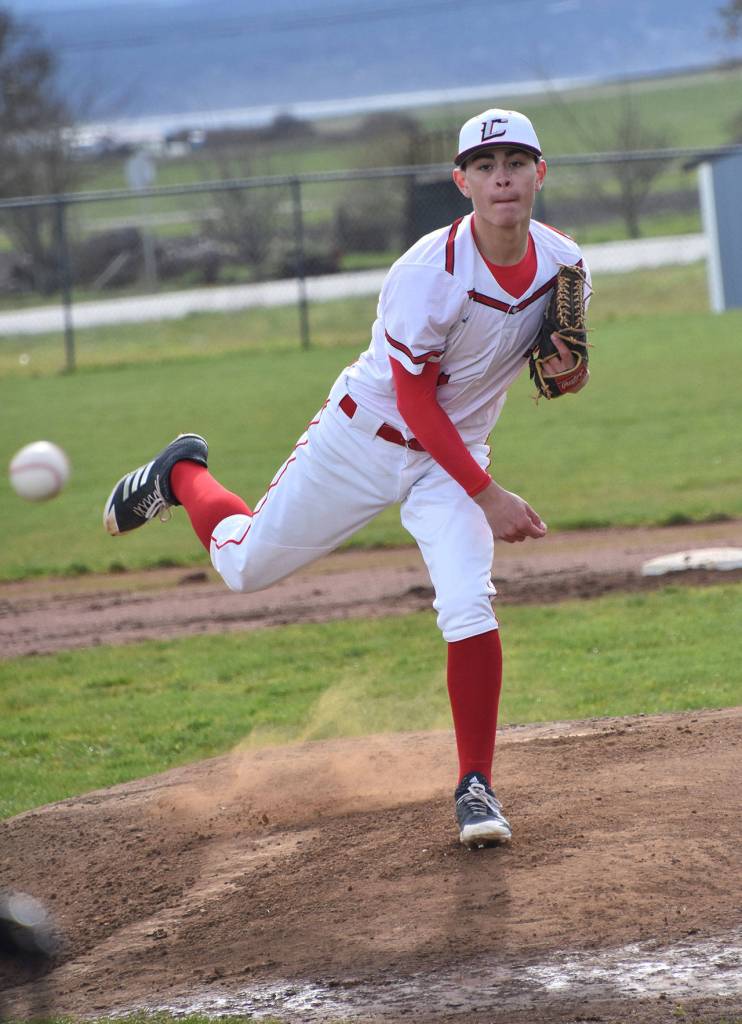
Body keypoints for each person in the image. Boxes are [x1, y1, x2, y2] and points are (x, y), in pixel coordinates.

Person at [103, 108, 590, 849]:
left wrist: (566, 371)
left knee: (468, 602)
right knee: (243, 567)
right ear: (462, 181)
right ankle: (182, 474)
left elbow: (563, 377)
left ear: (540, 174)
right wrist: (487, 496)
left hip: (451, 460)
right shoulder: (428, 274)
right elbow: (418, 401)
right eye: (487, 167)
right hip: (360, 441)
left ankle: (474, 786)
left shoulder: (566, 266)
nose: (503, 179)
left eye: (517, 163)